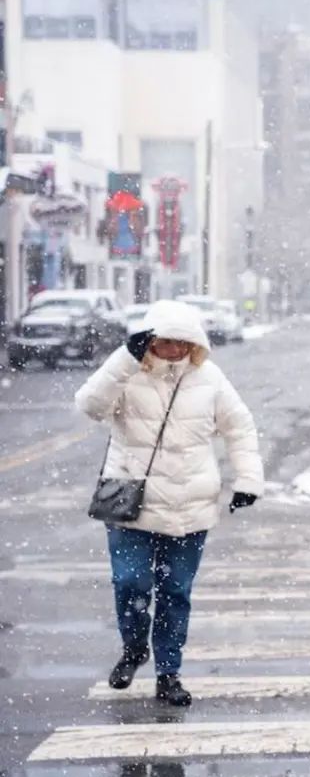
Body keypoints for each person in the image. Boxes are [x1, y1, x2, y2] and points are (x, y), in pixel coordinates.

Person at [75, 300, 263, 707]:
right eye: (165, 341)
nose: (174, 350)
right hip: (131, 503)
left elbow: (240, 426)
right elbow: (90, 406)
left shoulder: (209, 378)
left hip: (189, 504)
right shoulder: (127, 373)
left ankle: (169, 673)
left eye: (183, 342)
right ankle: (133, 648)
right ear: (149, 341)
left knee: (176, 592)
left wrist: (247, 479)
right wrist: (124, 360)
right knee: (131, 584)